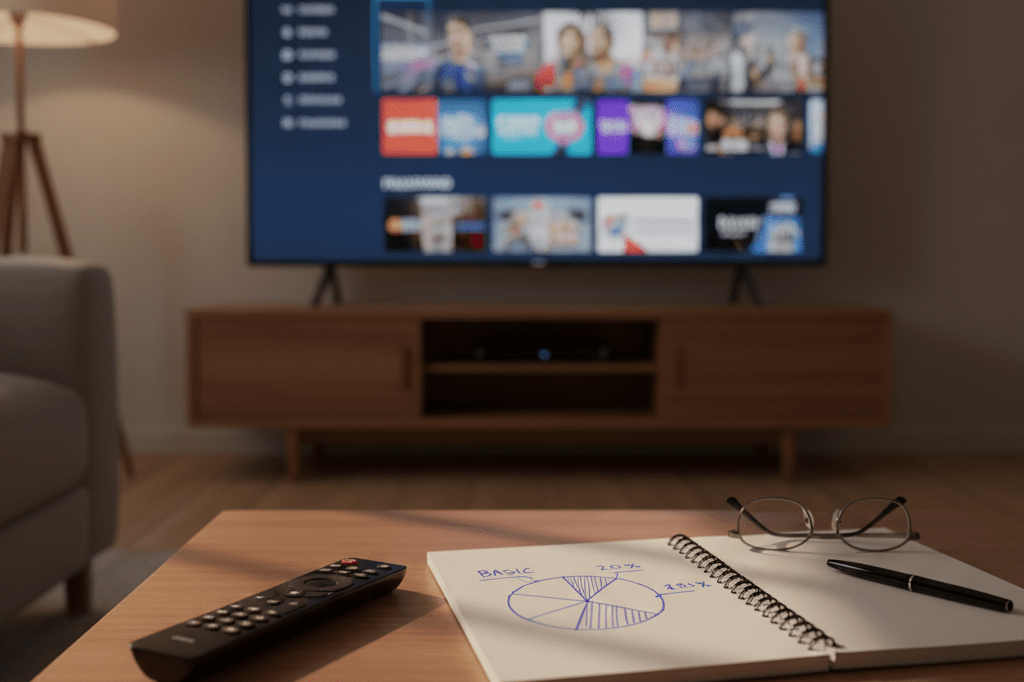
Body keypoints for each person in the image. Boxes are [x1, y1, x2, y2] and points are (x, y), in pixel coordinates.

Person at [430, 16, 485, 94]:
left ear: (471, 35)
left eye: (460, 31)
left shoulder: (480, 71)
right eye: (451, 32)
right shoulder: (439, 70)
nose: (456, 37)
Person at [534, 23, 590, 93]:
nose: (568, 42)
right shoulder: (549, 70)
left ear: (580, 42)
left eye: (572, 38)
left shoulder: (590, 67)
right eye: (564, 44)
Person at [587, 23, 634, 94]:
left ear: (609, 40)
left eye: (600, 37)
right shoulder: (586, 69)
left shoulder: (624, 69)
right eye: (593, 37)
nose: (596, 42)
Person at [788, 28, 811, 93]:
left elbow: (803, 79)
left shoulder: (804, 57)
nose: (797, 42)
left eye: (799, 40)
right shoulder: (788, 55)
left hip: (797, 92)